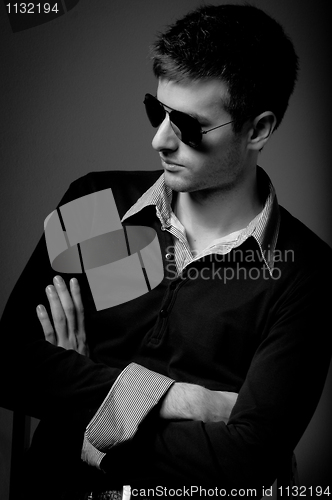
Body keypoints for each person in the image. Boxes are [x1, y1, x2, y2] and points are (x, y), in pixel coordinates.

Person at [1, 4, 331, 499]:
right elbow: (10, 365)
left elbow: (247, 462)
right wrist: (182, 399)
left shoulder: (306, 272)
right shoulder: (99, 206)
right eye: (158, 112)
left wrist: (81, 402)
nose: (159, 140)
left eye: (189, 125)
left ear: (258, 129)